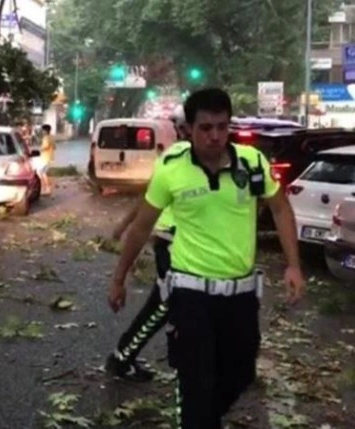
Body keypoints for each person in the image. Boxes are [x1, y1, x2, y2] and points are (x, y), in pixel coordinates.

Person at [108, 88, 304, 429]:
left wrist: (293, 265)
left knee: (242, 373)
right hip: (190, 292)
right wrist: (118, 278)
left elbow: (280, 208)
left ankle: (202, 419)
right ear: (190, 129)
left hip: (241, 295)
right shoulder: (173, 169)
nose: (215, 136)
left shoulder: (253, 163)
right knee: (195, 380)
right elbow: (142, 227)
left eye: (222, 126)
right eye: (206, 127)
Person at [105, 113, 190, 381]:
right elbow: (151, 197)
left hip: (172, 240)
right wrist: (126, 226)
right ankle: (122, 357)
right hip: (174, 240)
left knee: (175, 303)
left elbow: (147, 196)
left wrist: (123, 224)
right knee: (164, 304)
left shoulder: (173, 155)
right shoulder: (183, 157)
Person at [39, 124, 56, 195]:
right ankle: (45, 188)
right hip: (50, 157)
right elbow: (55, 147)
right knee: (44, 173)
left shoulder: (46, 138)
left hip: (45, 158)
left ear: (45, 131)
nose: (42, 132)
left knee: (42, 173)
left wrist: (40, 149)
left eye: (43, 130)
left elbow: (45, 146)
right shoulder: (52, 137)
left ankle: (47, 189)